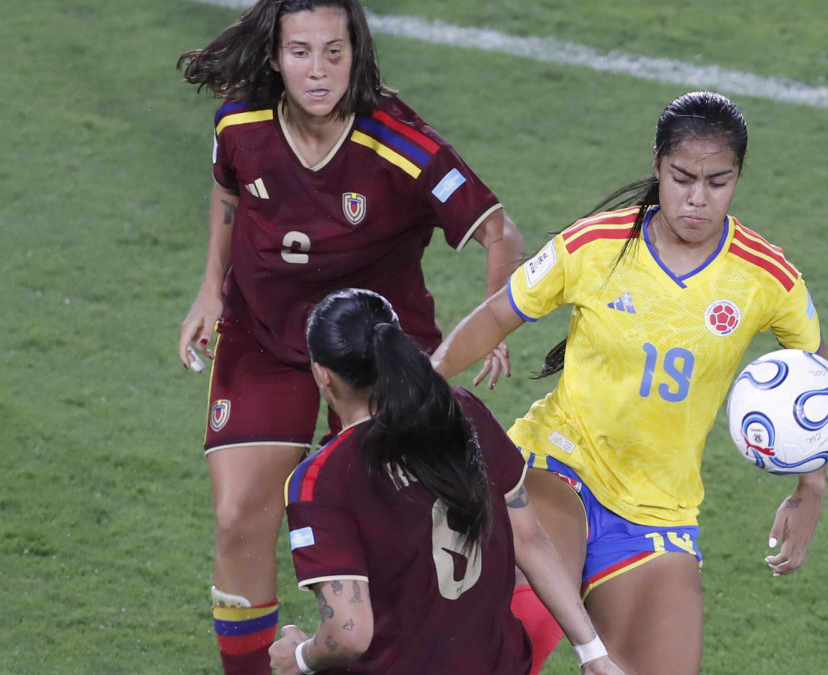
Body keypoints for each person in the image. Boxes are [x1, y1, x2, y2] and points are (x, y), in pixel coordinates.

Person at [432, 91, 828, 675]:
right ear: (656, 165)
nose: (697, 199)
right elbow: (500, 313)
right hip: (557, 466)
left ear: (738, 176)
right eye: (682, 177)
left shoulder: (767, 277)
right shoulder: (594, 245)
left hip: (657, 512)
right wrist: (423, 380)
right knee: (519, 629)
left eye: (717, 182)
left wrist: (810, 486)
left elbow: (815, 386)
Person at [175, 2, 522, 672]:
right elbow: (230, 191)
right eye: (301, 51)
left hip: (378, 352)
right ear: (275, 56)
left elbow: (500, 231)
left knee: (398, 527)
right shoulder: (240, 122)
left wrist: (493, 319)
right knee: (238, 514)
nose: (318, 69)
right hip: (267, 335)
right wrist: (210, 287)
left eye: (335, 51)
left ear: (357, 52)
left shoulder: (400, 141)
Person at [265, 289, 624, 675]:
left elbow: (349, 634)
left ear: (322, 374)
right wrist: (592, 653)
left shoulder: (321, 479)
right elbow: (530, 539)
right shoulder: (462, 412)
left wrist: (300, 657)